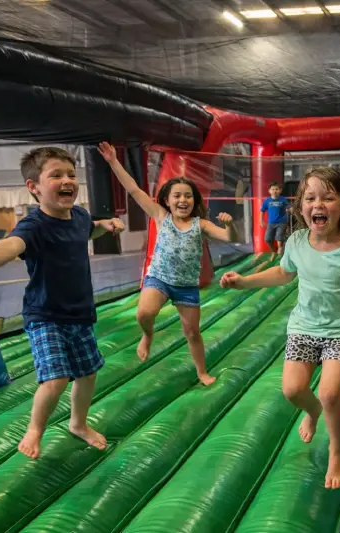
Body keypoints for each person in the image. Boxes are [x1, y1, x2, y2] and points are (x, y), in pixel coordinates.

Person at [220, 166, 340, 490]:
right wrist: (244, 281)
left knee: (331, 393)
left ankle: (337, 449)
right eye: (310, 198)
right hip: (304, 327)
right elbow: (283, 273)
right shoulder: (296, 242)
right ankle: (314, 410)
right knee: (293, 390)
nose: (318, 204)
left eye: (328, 198)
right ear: (300, 207)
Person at [0, 146, 125, 459]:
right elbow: (10, 245)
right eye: (56, 175)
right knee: (56, 378)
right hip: (45, 315)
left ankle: (78, 423)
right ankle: (35, 430)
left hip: (80, 313)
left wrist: (107, 226)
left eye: (71, 174)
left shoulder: (80, 215)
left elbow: (88, 231)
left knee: (88, 374)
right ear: (33, 187)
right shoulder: (34, 226)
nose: (67, 180)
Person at [97, 142, 239, 386]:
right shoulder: (161, 216)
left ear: (194, 200)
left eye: (188, 196)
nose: (183, 200)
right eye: (177, 195)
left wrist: (230, 225)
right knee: (144, 313)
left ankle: (202, 372)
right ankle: (148, 335)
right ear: (167, 199)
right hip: (159, 278)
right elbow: (133, 189)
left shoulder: (201, 225)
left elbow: (229, 237)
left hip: (186, 285)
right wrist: (113, 161)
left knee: (192, 332)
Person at [260, 181, 291, 260]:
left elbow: (288, 207)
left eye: (276, 189)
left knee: (279, 237)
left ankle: (280, 249)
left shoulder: (283, 199)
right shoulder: (267, 201)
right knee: (267, 239)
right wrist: (261, 221)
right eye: (273, 189)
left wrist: (290, 209)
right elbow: (262, 211)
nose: (275, 191)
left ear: (280, 190)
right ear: (269, 191)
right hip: (271, 223)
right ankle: (274, 251)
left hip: (282, 222)